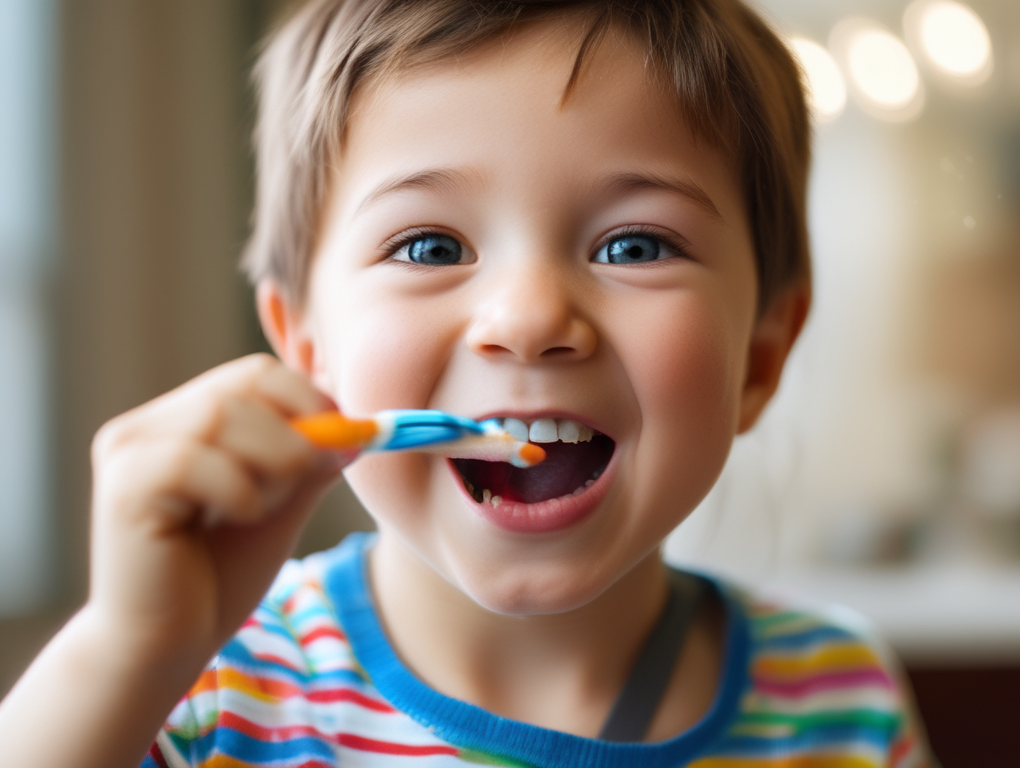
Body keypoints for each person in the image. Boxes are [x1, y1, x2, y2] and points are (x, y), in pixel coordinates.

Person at [0, 1, 934, 766]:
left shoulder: (841, 703)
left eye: (635, 245)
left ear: (762, 357)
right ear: (306, 348)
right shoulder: (200, 693)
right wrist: (125, 649)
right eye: (430, 246)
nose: (528, 318)